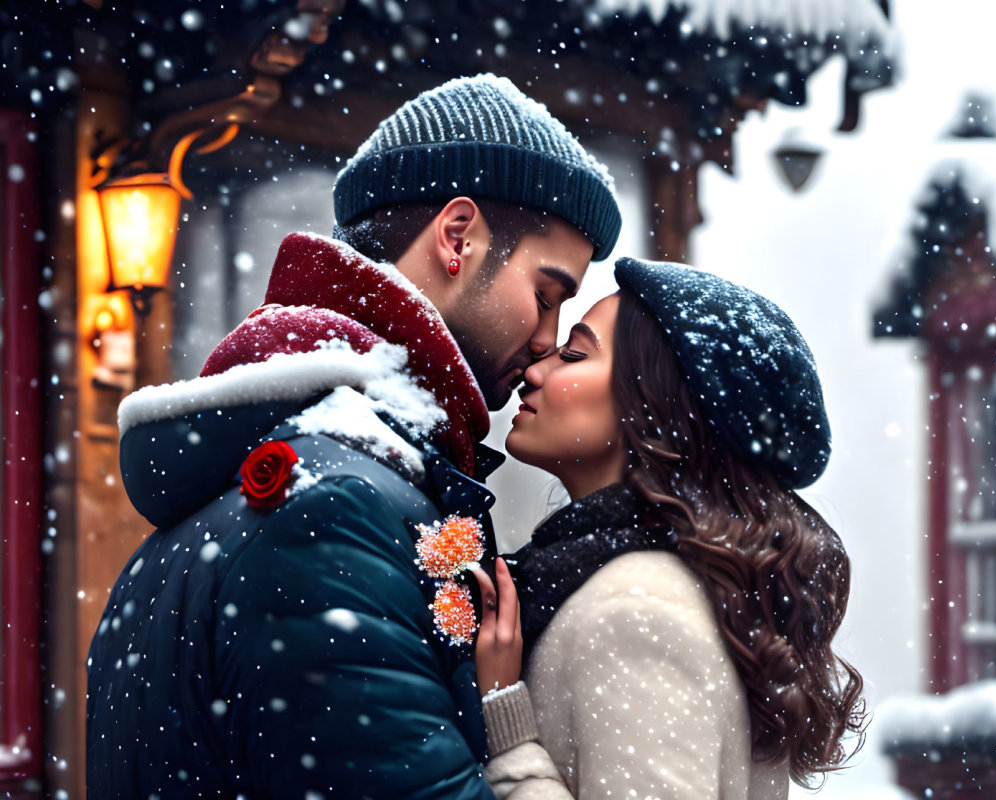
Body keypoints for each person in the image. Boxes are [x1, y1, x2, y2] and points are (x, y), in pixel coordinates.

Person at [86, 74, 621, 799]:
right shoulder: (334, 512)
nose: (545, 339)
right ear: (457, 237)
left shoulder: (295, 474)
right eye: (546, 294)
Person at [473, 257, 866, 799]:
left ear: (652, 405)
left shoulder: (637, 612)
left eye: (576, 353)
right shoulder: (666, 588)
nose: (537, 370)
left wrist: (506, 723)